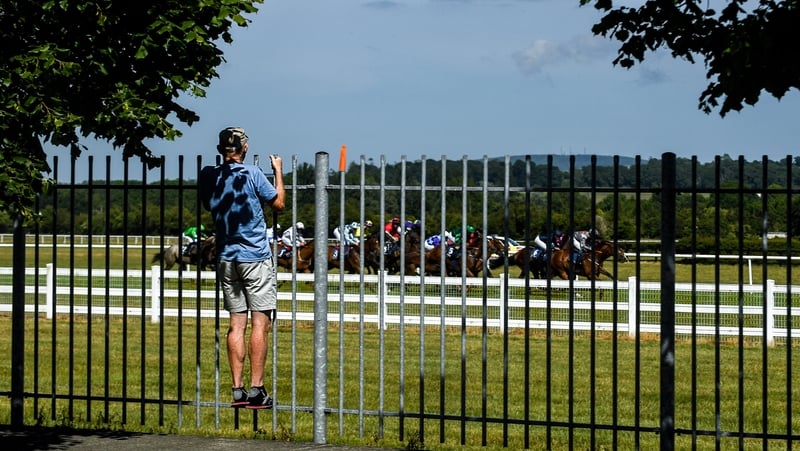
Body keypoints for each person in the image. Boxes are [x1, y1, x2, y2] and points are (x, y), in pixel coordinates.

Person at [198, 126, 285, 410]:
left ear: (220, 149)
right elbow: (279, 204)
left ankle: (237, 389)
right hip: (254, 255)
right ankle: (257, 389)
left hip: (226, 256)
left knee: (236, 323)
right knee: (261, 322)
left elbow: (208, 204)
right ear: (244, 149)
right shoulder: (252, 174)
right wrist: (278, 172)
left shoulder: (209, 175)